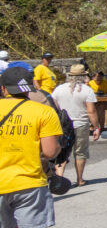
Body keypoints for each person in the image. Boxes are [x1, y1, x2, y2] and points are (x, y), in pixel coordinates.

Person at [0, 66, 62, 228]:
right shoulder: (44, 112)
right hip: (30, 184)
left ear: (3, 88)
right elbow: (50, 152)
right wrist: (59, 149)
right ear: (30, 89)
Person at [48, 64, 98, 187]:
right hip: (80, 123)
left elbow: (53, 105)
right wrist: (96, 126)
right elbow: (91, 111)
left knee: (62, 151)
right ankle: (80, 179)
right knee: (80, 152)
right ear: (83, 76)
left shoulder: (59, 89)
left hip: (63, 124)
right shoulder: (87, 90)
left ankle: (59, 178)